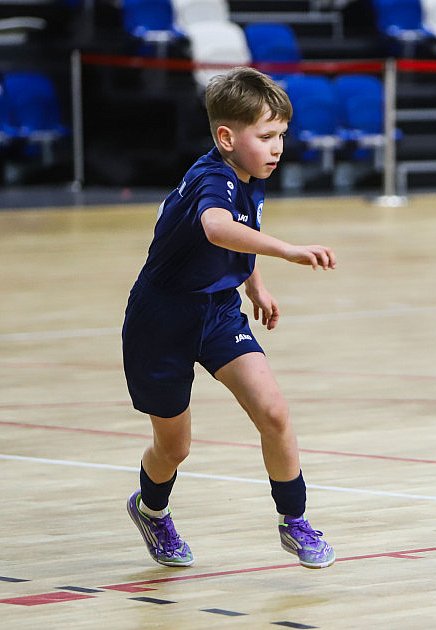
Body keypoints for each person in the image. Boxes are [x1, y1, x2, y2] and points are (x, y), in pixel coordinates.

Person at [122, 67, 337, 570]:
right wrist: (288, 250)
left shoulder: (250, 176)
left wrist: (254, 285)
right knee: (174, 448)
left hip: (218, 312)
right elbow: (217, 228)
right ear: (226, 138)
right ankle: (151, 509)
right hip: (162, 320)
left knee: (274, 413)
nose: (277, 148)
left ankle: (294, 520)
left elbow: (239, 234)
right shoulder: (212, 178)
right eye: (266, 137)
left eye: (281, 135)